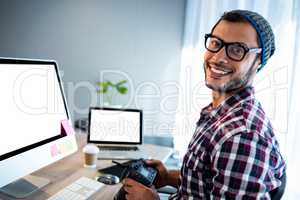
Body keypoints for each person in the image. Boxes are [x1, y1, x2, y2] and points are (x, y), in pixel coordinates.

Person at [123, 9, 286, 199]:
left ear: (258, 60)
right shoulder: (220, 112)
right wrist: (168, 177)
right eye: (216, 43)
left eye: (237, 50)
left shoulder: (242, 136)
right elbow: (206, 181)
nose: (218, 58)